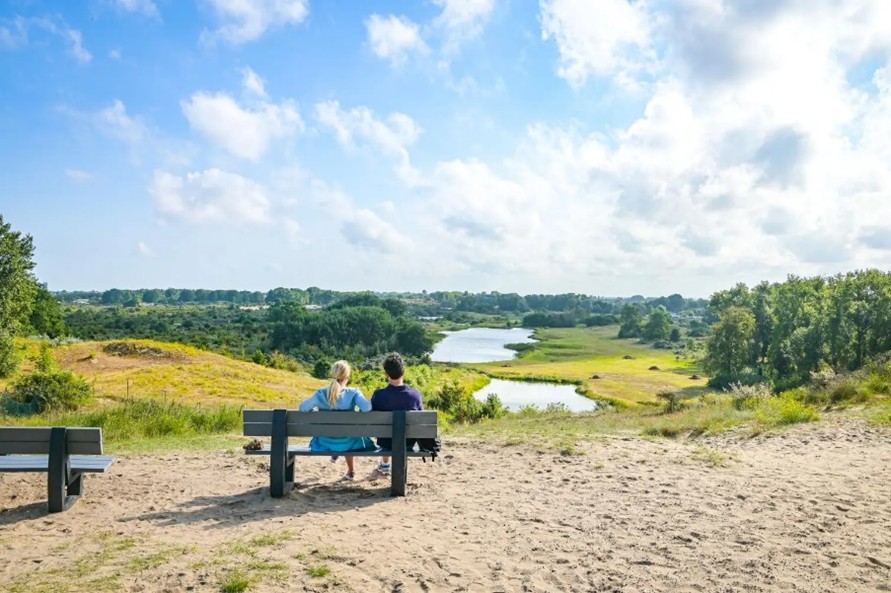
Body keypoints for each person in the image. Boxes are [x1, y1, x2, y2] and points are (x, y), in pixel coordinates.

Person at [298, 360, 375, 481]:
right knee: (347, 436)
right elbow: (367, 408)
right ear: (347, 377)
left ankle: (337, 454)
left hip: (325, 442)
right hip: (350, 441)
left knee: (339, 436)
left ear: (332, 374)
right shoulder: (353, 393)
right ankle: (351, 470)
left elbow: (302, 407)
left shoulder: (321, 394)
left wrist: (314, 411)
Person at [370, 352, 423, 479]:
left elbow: (372, 420)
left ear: (386, 374)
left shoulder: (378, 395)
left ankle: (385, 465)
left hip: (385, 442)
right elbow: (420, 421)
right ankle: (394, 467)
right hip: (408, 442)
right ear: (403, 371)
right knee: (402, 432)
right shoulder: (415, 395)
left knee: (387, 434)